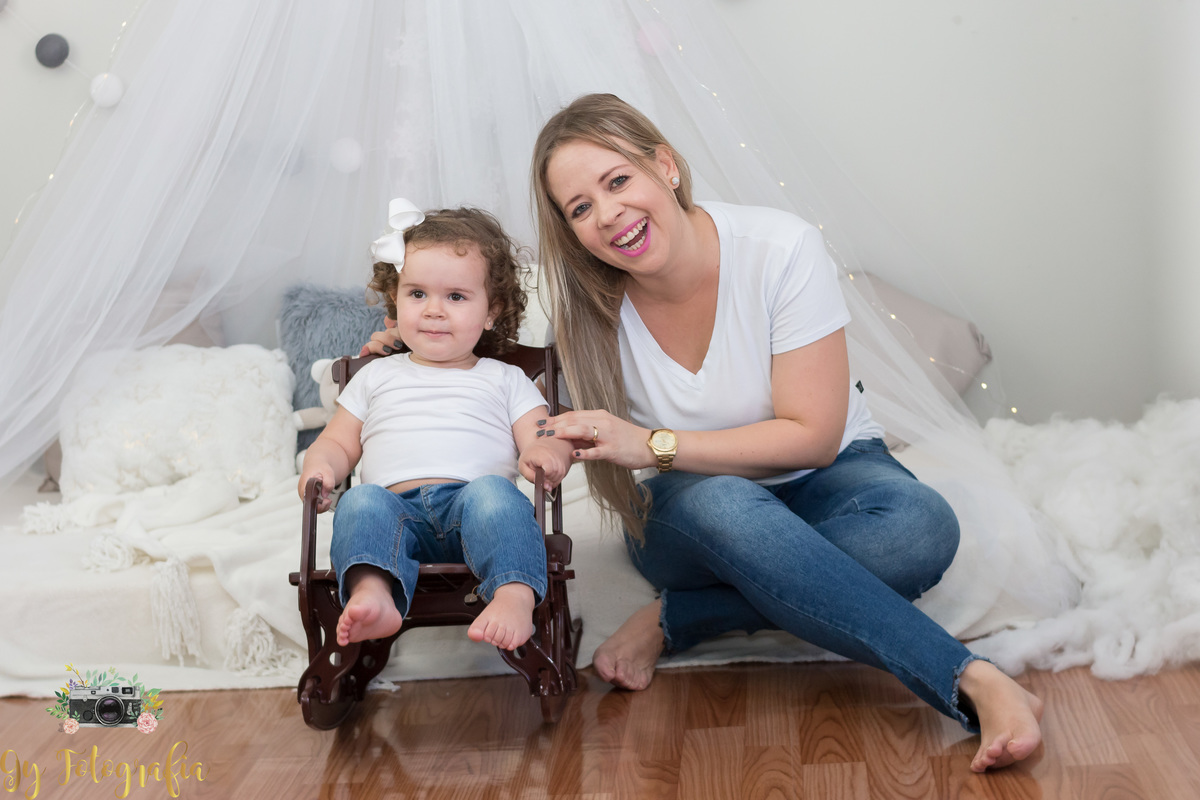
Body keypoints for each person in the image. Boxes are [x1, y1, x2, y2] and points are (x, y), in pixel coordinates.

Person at [527, 93, 1044, 773]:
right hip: (693, 516)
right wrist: (415, 354)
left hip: (827, 475)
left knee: (920, 527)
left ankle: (685, 617)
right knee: (724, 501)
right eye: (581, 208)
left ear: (665, 168)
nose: (609, 214)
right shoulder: (588, 308)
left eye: (617, 181)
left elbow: (814, 439)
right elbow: (521, 403)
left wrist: (650, 443)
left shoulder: (779, 246)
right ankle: (970, 679)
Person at [299, 204, 573, 652]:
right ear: (395, 300)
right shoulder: (376, 376)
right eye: (417, 294)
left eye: (456, 297)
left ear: (491, 311)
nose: (433, 311)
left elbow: (544, 431)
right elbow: (336, 442)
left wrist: (547, 454)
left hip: (472, 511)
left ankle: (514, 594)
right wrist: (321, 469)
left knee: (495, 495)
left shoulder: (504, 378)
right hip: (395, 515)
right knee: (361, 501)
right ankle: (373, 592)